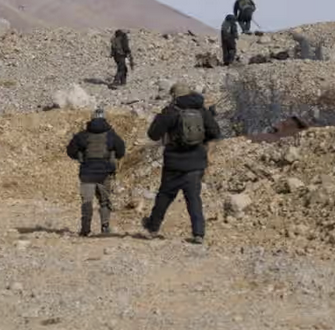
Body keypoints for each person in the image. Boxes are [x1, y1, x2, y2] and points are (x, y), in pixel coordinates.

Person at [142, 82, 221, 245]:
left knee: (164, 196)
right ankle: (198, 233)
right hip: (196, 162)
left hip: (174, 163)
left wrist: (160, 119)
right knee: (193, 198)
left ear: (174, 96)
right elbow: (215, 132)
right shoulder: (202, 111)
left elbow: (153, 135)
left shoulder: (170, 112)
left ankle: (153, 228)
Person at [66, 108, 127, 236]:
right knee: (104, 201)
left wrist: (80, 157)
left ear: (91, 119)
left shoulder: (82, 135)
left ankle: (85, 229)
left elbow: (70, 151)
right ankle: (105, 227)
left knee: (87, 201)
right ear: (105, 119)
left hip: (87, 173)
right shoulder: (111, 135)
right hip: (105, 173)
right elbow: (121, 151)